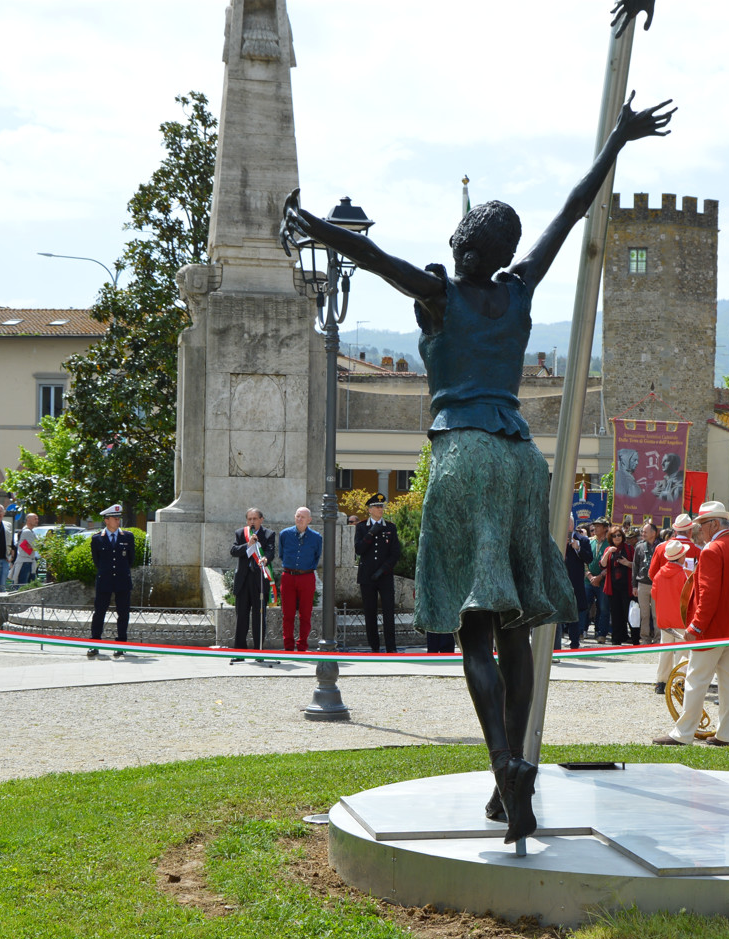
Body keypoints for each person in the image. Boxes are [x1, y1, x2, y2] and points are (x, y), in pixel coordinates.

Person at [281, 69, 669, 843]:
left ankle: (505, 764)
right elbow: (569, 212)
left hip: (463, 454)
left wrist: (313, 227)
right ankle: (516, 770)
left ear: (463, 245)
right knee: (523, 623)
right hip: (524, 458)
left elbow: (379, 257)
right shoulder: (521, 286)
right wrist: (619, 141)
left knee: (474, 629)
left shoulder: (438, 294)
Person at [653, 501, 729, 747]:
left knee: (696, 679)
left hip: (713, 628)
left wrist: (696, 627)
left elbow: (708, 594)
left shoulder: (712, 550)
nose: (699, 530)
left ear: (714, 524)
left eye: (702, 525)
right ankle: (727, 733)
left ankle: (683, 732)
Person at [355, 494, 401, 653]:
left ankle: (391, 647)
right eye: (377, 506)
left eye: (381, 506)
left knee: (389, 612)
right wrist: (371, 534)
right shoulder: (361, 527)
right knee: (370, 613)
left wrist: (383, 570)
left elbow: (395, 553)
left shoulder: (390, 527)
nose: (380, 509)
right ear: (370, 510)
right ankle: (374, 647)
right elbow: (359, 549)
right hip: (367, 577)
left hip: (385, 576)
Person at [88, 504, 135, 659]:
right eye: (115, 518)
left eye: (119, 518)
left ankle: (120, 644)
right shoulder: (97, 539)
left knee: (123, 613)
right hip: (105, 580)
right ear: (107, 520)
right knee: (99, 613)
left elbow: (130, 560)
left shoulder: (127, 537)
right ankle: (95, 643)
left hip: (122, 580)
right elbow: (97, 561)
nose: (118, 520)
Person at [230, 507, 276, 658]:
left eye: (255, 519)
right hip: (243, 580)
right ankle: (239, 651)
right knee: (242, 616)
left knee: (259, 617)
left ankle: (259, 651)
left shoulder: (268, 534)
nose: (252, 522)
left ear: (261, 520)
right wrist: (248, 544)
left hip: (259, 581)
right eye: (249, 519)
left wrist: (266, 558)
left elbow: (270, 551)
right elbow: (234, 550)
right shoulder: (240, 533)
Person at [278, 507, 321, 653]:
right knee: (288, 614)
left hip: (307, 577)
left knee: (305, 614)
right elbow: (281, 554)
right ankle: (288, 646)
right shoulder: (285, 534)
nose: (300, 519)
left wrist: (305, 569)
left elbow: (317, 557)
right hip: (288, 576)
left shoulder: (316, 537)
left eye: (303, 517)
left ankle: (302, 646)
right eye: (297, 516)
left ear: (309, 520)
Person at [650, 538, 690, 696]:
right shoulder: (682, 574)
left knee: (665, 650)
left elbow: (654, 594)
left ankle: (661, 681)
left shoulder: (659, 574)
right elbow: (687, 597)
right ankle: (679, 682)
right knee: (682, 652)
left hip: (664, 619)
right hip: (680, 619)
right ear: (680, 557)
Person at [600, 526, 634, 646]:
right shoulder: (609, 549)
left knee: (627, 612)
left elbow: (636, 566)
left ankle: (633, 637)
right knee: (615, 613)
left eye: (619, 535)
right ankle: (617, 638)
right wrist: (608, 552)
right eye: (614, 536)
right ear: (611, 538)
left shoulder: (629, 548)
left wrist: (626, 563)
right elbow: (602, 565)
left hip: (627, 586)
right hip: (613, 586)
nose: (617, 538)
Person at [562, 527, 592, 651]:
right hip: (558, 580)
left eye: (569, 523)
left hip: (574, 582)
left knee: (575, 614)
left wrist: (578, 548)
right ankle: (553, 645)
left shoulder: (583, 540)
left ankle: (574, 643)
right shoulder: (554, 535)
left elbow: (589, 558)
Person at [632, 522, 659, 647]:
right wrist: (634, 585)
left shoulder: (661, 546)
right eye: (642, 532)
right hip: (642, 583)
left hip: (657, 584)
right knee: (644, 614)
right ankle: (645, 639)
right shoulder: (639, 547)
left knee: (656, 614)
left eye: (645, 532)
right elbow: (635, 566)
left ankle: (658, 639)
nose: (642, 534)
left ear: (653, 533)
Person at [586, 519, 612, 641]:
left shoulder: (610, 544)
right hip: (588, 580)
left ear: (605, 528)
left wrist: (600, 577)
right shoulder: (589, 542)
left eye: (598, 526)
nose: (595, 528)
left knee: (603, 608)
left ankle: (601, 633)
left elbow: (611, 564)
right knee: (584, 606)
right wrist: (590, 576)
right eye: (594, 526)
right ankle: (582, 630)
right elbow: (584, 561)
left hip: (603, 581)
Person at [12, 513, 41, 584]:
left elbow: (37, 545)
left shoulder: (31, 531)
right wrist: (37, 545)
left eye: (37, 518)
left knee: (28, 587)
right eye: (35, 518)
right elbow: (37, 546)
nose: (37, 520)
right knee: (22, 586)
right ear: (28, 520)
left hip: (29, 562)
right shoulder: (27, 532)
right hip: (25, 563)